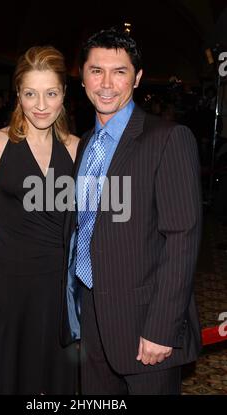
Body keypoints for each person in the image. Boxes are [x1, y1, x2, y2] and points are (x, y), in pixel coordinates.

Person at [61, 27, 202, 395]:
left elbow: (182, 240)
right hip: (91, 315)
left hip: (145, 323)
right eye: (96, 70)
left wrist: (162, 328)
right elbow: (86, 222)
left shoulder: (168, 139)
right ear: (82, 77)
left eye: (119, 71)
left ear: (137, 78)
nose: (106, 83)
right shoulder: (87, 143)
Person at [0, 46, 79, 394]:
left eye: (50, 93)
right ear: (17, 94)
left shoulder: (79, 149)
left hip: (57, 289)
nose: (41, 104)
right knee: (4, 377)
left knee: (54, 383)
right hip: (4, 285)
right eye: (30, 93)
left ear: (64, 94)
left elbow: (90, 224)